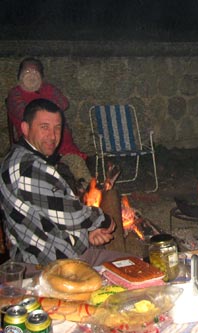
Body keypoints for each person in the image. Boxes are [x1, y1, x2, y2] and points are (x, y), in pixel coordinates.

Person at [0, 99, 123, 276]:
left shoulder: (19, 158)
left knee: (130, 266)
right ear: (25, 129)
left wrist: (86, 235)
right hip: (51, 266)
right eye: (44, 127)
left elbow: (46, 219)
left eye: (57, 128)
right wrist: (105, 221)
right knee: (132, 270)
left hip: (58, 253)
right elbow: (72, 215)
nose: (52, 136)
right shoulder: (28, 168)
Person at [7, 57, 92, 189]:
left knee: (80, 169)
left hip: (64, 147)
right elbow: (26, 113)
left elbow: (63, 103)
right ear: (20, 75)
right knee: (50, 181)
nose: (31, 75)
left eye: (35, 72)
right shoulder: (15, 94)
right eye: (27, 71)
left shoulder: (48, 89)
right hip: (36, 149)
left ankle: (87, 197)